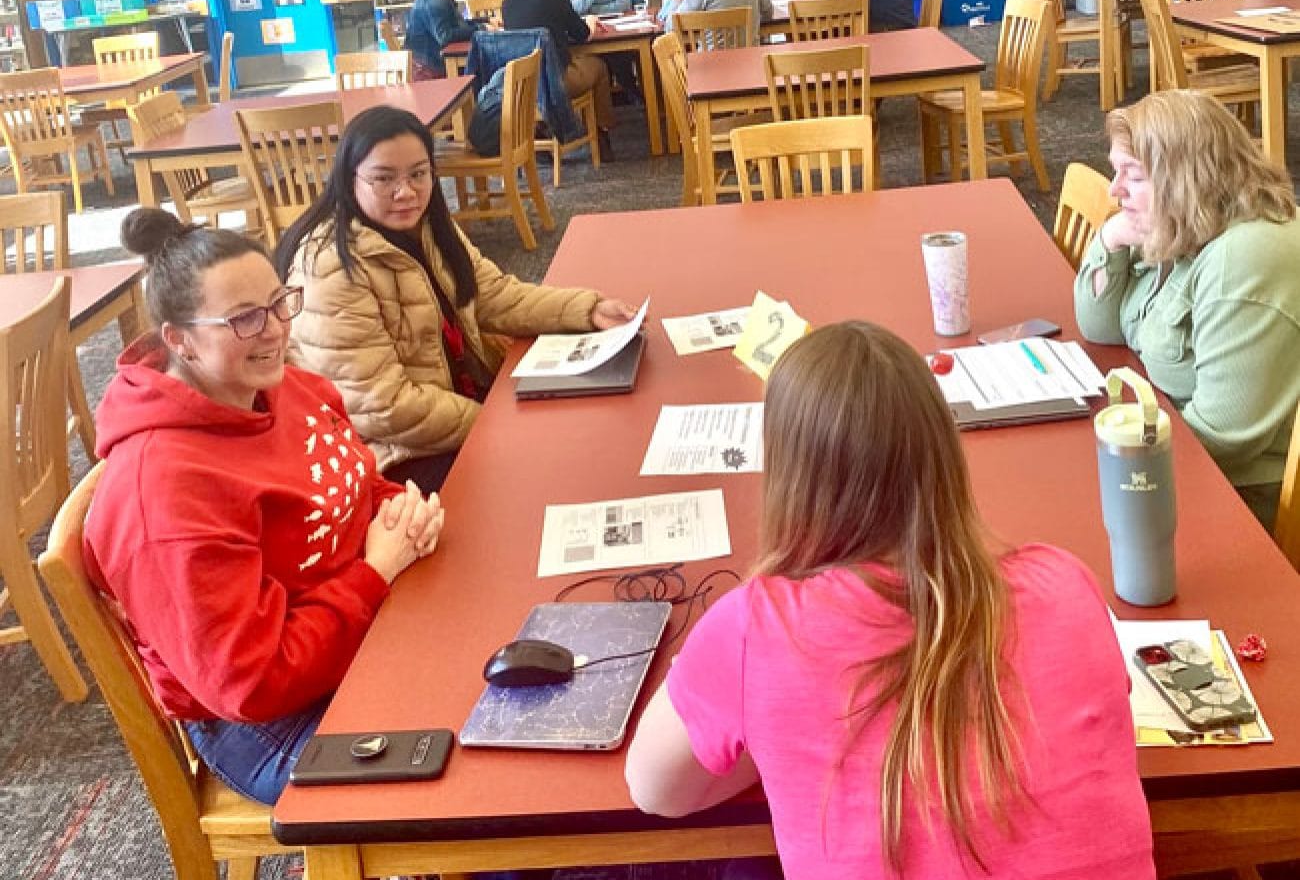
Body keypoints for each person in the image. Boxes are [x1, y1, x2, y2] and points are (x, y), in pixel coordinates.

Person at [625, 321, 1155, 879]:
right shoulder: (1067, 583)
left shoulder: (754, 628)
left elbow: (654, 789)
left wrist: (758, 726)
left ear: (788, 479)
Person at [83, 208, 444, 805]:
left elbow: (351, 479)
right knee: (464, 774)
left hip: (346, 622)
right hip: (266, 719)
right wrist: (375, 572)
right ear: (179, 340)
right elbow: (251, 684)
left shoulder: (280, 387)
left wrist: (400, 513)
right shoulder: (164, 494)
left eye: (280, 303)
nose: (275, 330)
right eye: (245, 318)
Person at [276, 106, 636, 494]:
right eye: (384, 178)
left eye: (418, 174)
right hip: (396, 452)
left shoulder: (428, 226)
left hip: (455, 402)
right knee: (538, 479)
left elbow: (495, 295)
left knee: (592, 423)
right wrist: (492, 424)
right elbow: (382, 406)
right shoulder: (329, 266)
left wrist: (587, 309)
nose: (406, 192)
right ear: (350, 181)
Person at [1075, 89, 1300, 529]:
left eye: (1132, 175)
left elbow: (1222, 439)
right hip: (1175, 449)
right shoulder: (1183, 223)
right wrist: (1111, 238)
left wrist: (1109, 454)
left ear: (1183, 178)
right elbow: (1100, 327)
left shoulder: (1243, 258)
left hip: (1244, 498)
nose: (1115, 190)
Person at [502, 0, 616, 155]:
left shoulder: (507, 4)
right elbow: (581, 34)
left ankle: (540, 131)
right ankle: (602, 132)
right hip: (558, 81)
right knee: (599, 67)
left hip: (525, 86)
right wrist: (590, 22)